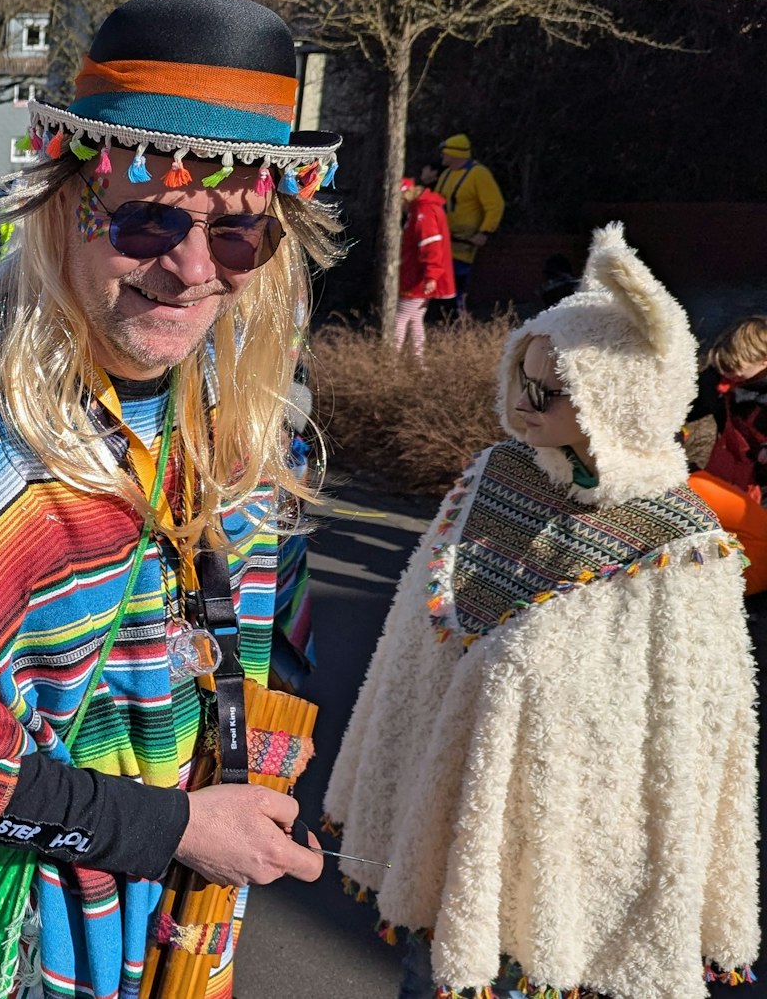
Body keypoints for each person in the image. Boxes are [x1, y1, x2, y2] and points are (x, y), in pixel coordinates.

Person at [0, 0, 342, 998]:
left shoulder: (242, 427)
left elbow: (264, 648)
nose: (188, 271)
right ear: (67, 203)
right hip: (6, 948)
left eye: (236, 235)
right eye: (147, 219)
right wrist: (173, 826)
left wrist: (254, 796)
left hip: (173, 927)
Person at [327, 226, 758, 999]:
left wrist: (531, 674)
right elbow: (411, 647)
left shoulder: (685, 544)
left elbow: (690, 732)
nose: (523, 404)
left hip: (572, 838)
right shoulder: (493, 478)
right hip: (454, 818)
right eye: (519, 379)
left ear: (615, 398)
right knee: (428, 974)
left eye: (547, 392)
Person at [689, 314, 767, 595]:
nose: (729, 376)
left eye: (736, 370)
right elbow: (692, 404)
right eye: (726, 370)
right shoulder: (723, 385)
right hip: (739, 467)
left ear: (763, 363)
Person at [433, 133, 504, 313]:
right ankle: (443, 320)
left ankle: (458, 321)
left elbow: (495, 205)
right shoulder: (447, 174)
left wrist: (485, 232)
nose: (442, 156)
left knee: (458, 283)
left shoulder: (479, 174)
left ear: (455, 154)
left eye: (445, 153)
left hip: (464, 243)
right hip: (443, 240)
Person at [394, 175, 453, 359]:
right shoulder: (425, 208)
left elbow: (430, 244)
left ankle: (391, 361)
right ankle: (418, 361)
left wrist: (431, 274)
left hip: (417, 276)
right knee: (415, 318)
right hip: (421, 274)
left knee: (400, 317)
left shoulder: (423, 211)